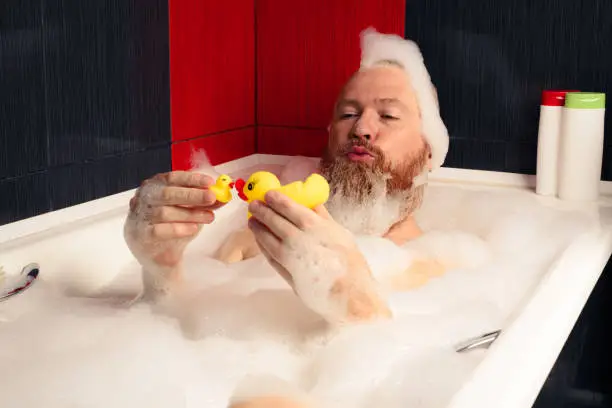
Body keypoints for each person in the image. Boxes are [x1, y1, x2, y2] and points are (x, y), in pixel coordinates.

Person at [123, 27, 450, 407]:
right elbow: (175, 333)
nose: (361, 128)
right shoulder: (256, 234)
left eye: (388, 115)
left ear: (429, 152)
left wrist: (363, 312)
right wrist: (161, 270)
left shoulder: (438, 269)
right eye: (348, 113)